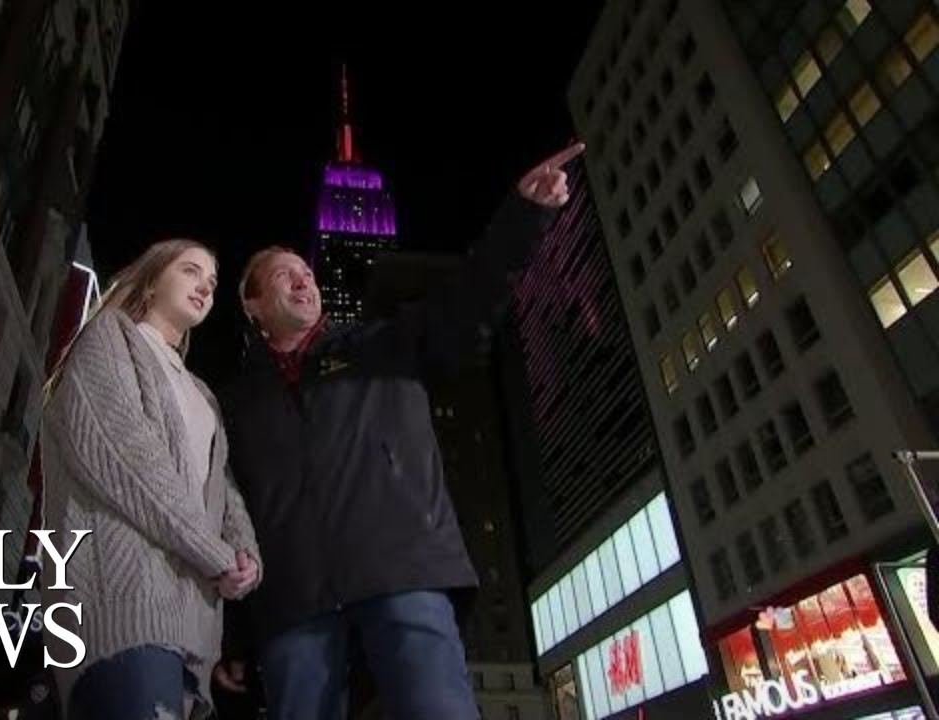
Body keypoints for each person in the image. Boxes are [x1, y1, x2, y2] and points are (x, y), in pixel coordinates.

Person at [214, 143, 584, 719]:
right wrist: (234, 637)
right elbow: (229, 512)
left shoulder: (381, 345)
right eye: (285, 276)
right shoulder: (235, 403)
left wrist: (522, 217)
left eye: (307, 273)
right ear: (253, 305)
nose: (303, 281)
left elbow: (469, 302)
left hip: (401, 569)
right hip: (293, 599)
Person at [40, 238, 263, 720]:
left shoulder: (202, 394)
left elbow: (222, 489)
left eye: (212, 281)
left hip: (193, 629)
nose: (205, 285)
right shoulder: (109, 339)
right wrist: (216, 556)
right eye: (190, 270)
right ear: (153, 278)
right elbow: (131, 462)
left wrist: (245, 553)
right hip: (120, 602)